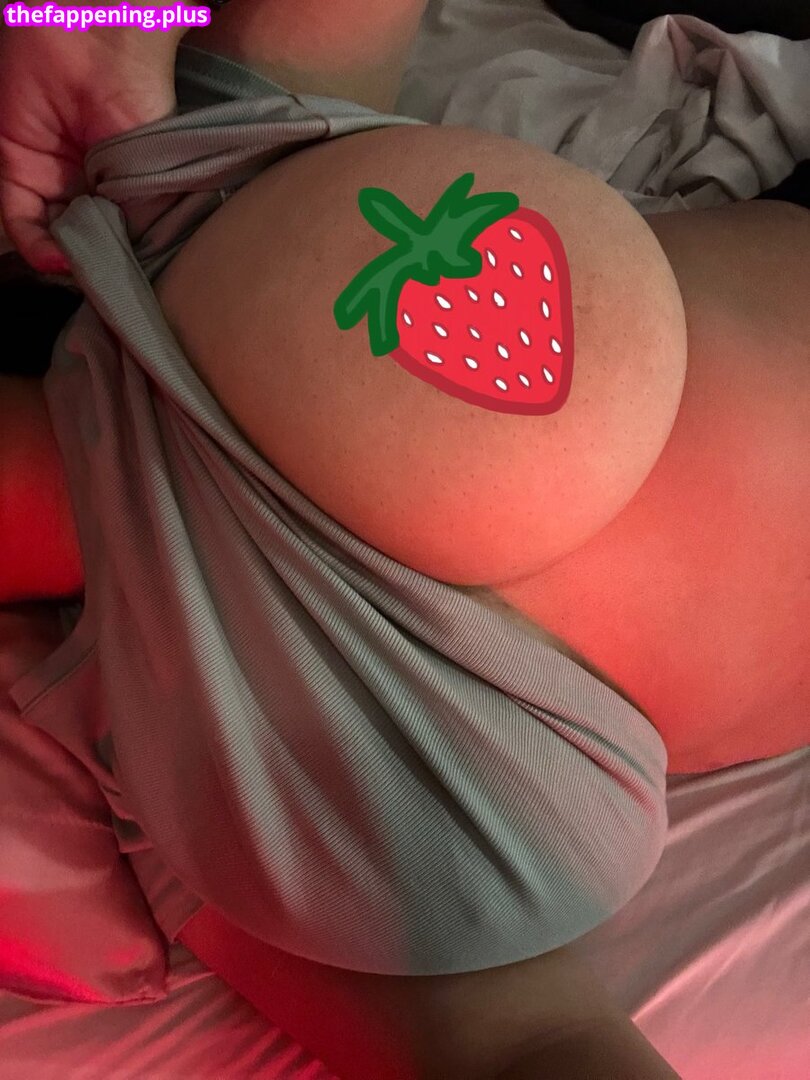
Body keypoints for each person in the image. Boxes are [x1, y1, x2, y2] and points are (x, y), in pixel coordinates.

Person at [0, 2, 806, 1077]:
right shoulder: (186, 193)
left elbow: (531, 1047)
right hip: (306, 259)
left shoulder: (218, 799)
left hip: (401, 665)